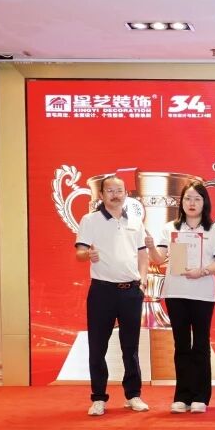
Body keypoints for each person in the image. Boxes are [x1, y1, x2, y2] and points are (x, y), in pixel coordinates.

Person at [144, 180, 215, 413]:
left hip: (202, 295)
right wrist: (150, 247)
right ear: (181, 202)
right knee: (181, 344)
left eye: (197, 199)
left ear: (205, 203)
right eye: (188, 198)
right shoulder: (170, 228)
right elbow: (159, 259)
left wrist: (203, 271)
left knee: (200, 344)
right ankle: (182, 396)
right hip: (175, 293)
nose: (192, 203)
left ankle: (201, 396)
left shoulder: (214, 230)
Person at [74, 176, 149, 416]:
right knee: (97, 347)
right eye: (110, 191)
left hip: (131, 291)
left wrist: (143, 280)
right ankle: (98, 398)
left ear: (126, 194)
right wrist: (88, 255)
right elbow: (80, 252)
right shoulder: (90, 220)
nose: (115, 195)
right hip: (102, 292)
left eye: (119, 190)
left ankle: (133, 395)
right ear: (101, 194)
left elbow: (143, 254)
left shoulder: (135, 221)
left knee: (131, 347)